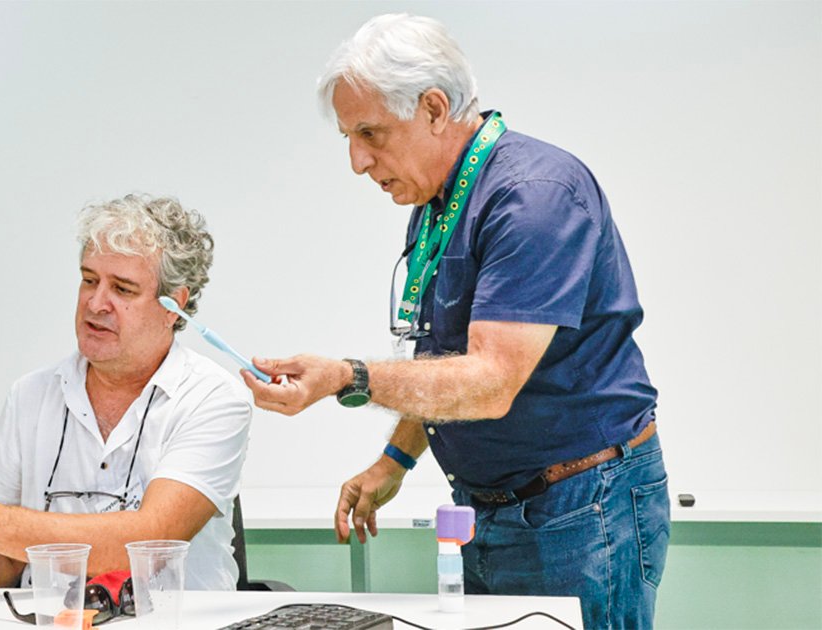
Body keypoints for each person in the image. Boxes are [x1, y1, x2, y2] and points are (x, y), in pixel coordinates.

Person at [242, 14, 669, 629]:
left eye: (371, 133)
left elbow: (490, 382)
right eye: (348, 139)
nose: (359, 161)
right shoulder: (439, 201)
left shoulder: (534, 197)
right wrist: (395, 460)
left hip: (580, 509)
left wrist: (346, 377)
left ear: (435, 109)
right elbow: (445, 364)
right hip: (490, 507)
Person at [0, 194, 253, 591]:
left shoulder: (214, 398)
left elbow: (151, 539)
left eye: (123, 289)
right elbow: (6, 563)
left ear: (174, 306)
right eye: (88, 280)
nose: (96, 303)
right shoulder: (30, 395)